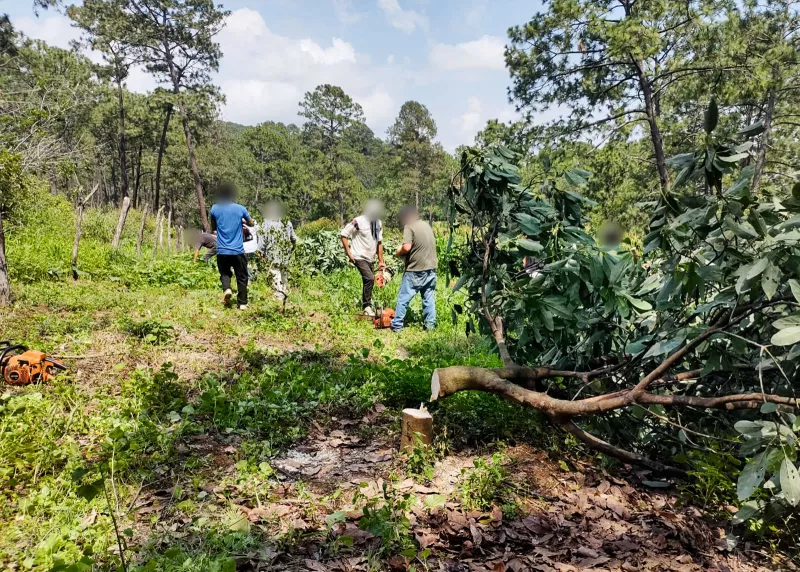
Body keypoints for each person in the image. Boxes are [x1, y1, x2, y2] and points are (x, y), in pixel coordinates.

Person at [391, 205, 438, 332]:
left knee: (403, 298)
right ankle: (430, 326)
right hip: (431, 268)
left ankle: (397, 325)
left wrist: (398, 251)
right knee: (428, 299)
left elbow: (406, 247)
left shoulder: (409, 226)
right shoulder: (425, 225)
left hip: (416, 270)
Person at [209, 182, 255, 310]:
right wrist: (243, 221)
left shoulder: (214, 209)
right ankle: (242, 303)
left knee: (224, 273)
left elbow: (213, 228)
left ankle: (227, 288)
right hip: (237, 251)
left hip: (222, 250)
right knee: (242, 276)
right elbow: (251, 224)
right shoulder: (240, 209)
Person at [340, 200, 386, 317]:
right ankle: (366, 306)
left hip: (370, 258)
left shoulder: (378, 223)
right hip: (358, 256)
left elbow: (379, 242)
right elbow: (344, 234)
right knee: (369, 278)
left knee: (369, 280)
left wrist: (381, 261)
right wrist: (349, 253)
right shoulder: (358, 221)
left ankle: (367, 305)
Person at [258, 201, 297, 303]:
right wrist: (293, 248)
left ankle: (279, 297)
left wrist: (260, 254)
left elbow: (262, 242)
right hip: (285, 255)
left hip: (272, 256)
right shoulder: (287, 222)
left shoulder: (265, 223)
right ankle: (285, 294)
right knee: (284, 275)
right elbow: (294, 239)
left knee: (275, 274)